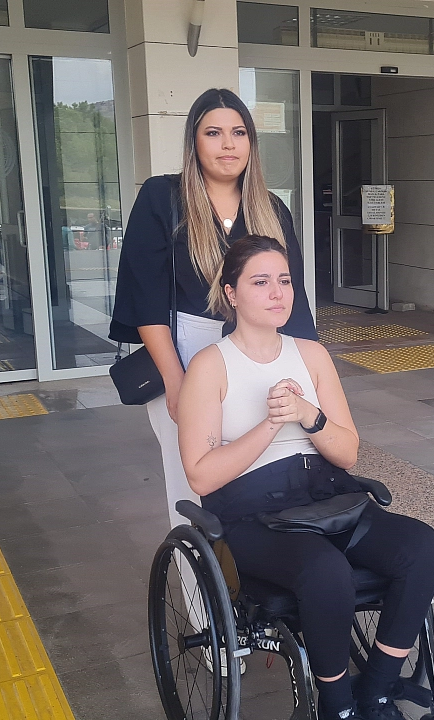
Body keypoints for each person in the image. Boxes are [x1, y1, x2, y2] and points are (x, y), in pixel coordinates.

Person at [178, 236, 434, 720]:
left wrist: (308, 415)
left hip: (325, 494)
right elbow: (200, 476)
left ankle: (376, 691)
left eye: (284, 280)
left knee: (421, 547)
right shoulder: (210, 366)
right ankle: (336, 706)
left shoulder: (311, 354)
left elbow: (347, 453)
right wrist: (271, 423)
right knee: (326, 572)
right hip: (253, 511)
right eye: (261, 282)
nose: (278, 292)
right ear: (232, 293)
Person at [110, 88, 317, 532]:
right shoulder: (162, 197)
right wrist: (175, 381)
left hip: (261, 352)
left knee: (265, 469)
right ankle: (198, 576)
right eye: (213, 133)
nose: (228, 144)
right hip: (186, 351)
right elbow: (146, 298)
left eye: (239, 133)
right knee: (194, 483)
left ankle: (260, 568)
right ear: (194, 141)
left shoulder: (271, 209)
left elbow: (289, 296)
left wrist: (311, 374)